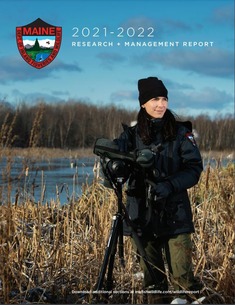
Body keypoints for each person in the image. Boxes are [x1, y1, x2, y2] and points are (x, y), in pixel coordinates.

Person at [114, 77, 204, 303]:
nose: (161, 104)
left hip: (175, 213)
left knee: (185, 280)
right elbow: (115, 157)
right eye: (155, 99)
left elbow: (194, 169)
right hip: (142, 215)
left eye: (164, 99)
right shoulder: (130, 136)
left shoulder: (181, 133)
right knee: (153, 282)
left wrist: (169, 185)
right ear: (143, 103)